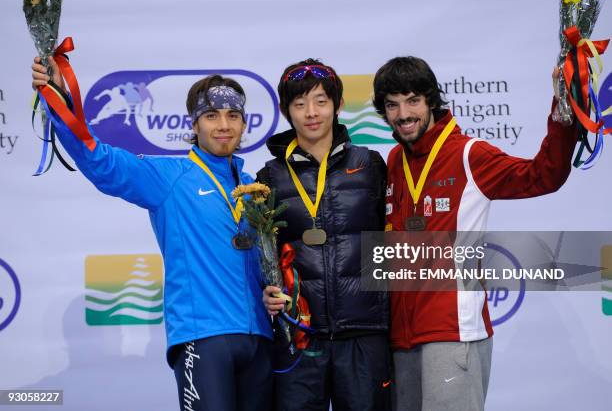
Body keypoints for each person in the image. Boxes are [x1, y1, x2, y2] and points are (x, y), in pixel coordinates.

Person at [31, 56, 273, 411]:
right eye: (212, 116)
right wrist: (60, 99)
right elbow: (102, 162)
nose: (223, 125)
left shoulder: (255, 187)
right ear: (194, 123)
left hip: (259, 341)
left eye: (232, 116)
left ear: (243, 123)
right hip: (202, 338)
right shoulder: (169, 177)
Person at [374, 56, 578, 411]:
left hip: (452, 330)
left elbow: (545, 175)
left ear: (431, 101)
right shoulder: (393, 160)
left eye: (413, 101)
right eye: (392, 105)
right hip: (400, 336)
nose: (403, 114)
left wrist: (564, 107)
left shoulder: (470, 154)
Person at [259, 59, 391, 411]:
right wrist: (266, 291)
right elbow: (263, 255)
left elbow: (394, 238)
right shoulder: (269, 177)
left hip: (364, 332)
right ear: (287, 111)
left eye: (320, 101)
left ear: (338, 105)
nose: (311, 113)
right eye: (299, 104)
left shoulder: (370, 165)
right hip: (300, 336)